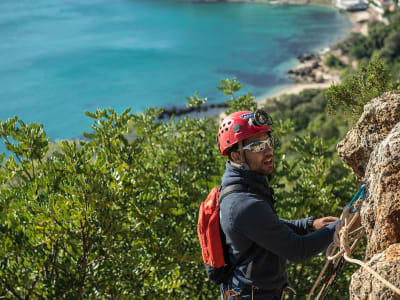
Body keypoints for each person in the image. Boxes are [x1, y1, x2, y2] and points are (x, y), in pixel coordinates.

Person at [217, 109, 340, 300]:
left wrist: (308, 224)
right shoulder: (242, 203)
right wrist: (339, 228)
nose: (269, 151)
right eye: (258, 146)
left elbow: (267, 225)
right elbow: (298, 249)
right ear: (236, 156)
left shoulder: (244, 186)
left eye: (268, 142)